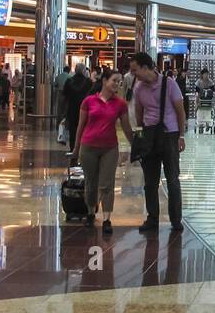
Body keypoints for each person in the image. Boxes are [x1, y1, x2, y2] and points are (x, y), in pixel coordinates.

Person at [71, 69, 134, 233]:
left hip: (110, 148)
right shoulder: (89, 101)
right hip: (88, 147)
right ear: (105, 81)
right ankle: (91, 212)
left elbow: (127, 127)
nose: (117, 84)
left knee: (107, 184)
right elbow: (81, 126)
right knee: (91, 183)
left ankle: (107, 218)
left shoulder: (120, 104)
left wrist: (135, 144)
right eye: (114, 80)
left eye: (119, 82)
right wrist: (76, 149)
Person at [129, 51, 185, 233]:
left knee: (172, 179)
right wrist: (139, 136)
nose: (133, 74)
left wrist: (181, 136)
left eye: (135, 70)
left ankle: (176, 220)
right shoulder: (138, 88)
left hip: (169, 135)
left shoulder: (169, 84)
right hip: (149, 136)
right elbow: (138, 114)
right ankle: (152, 218)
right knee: (150, 182)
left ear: (146, 68)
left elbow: (180, 111)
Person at [64, 63, 92, 143]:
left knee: (72, 129)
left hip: (71, 108)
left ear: (75, 70)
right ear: (84, 71)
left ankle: (72, 147)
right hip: (85, 109)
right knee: (83, 127)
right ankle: (81, 146)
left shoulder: (69, 81)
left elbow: (65, 94)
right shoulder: (88, 82)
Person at [54, 64, 72, 142]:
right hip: (67, 94)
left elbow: (55, 85)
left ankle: (58, 123)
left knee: (59, 109)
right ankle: (65, 123)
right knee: (66, 109)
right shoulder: (70, 77)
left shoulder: (58, 76)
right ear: (68, 71)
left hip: (60, 94)